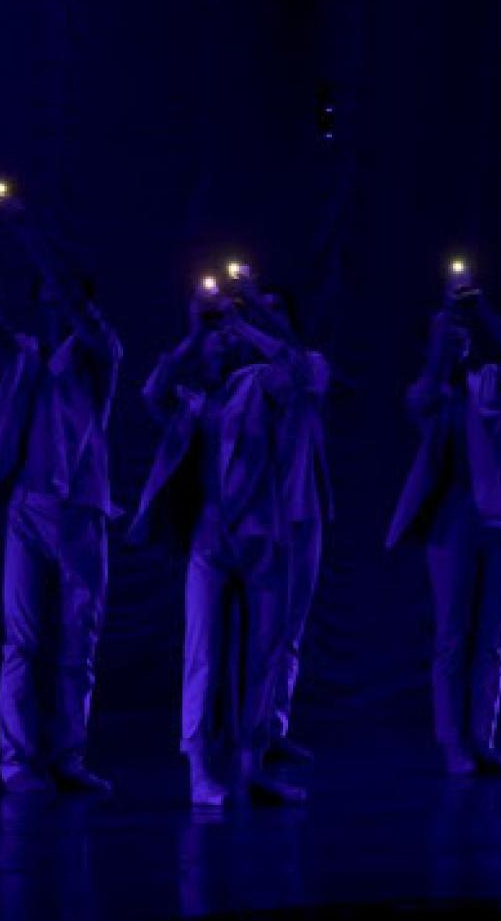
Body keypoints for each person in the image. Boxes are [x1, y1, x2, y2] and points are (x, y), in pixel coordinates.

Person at [0, 196, 122, 795]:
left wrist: (29, 234)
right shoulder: (25, 358)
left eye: (60, 292)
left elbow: (76, 306)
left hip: (81, 511)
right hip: (28, 509)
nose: (49, 298)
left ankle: (69, 759)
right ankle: (18, 763)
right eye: (44, 292)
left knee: (78, 643)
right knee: (21, 643)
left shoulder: (100, 352)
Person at [130, 270, 309, 807]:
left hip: (262, 538)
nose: (221, 341)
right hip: (211, 540)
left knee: (261, 657)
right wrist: (194, 330)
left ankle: (254, 767)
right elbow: (151, 392)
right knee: (204, 654)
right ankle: (201, 772)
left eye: (224, 336)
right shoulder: (191, 398)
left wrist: (247, 316)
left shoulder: (259, 383)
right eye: (217, 334)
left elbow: (298, 369)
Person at [387, 271, 501, 777]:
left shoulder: (487, 383)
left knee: (492, 640)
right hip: (452, 523)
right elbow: (426, 395)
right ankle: (453, 745)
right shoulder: (427, 394)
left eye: (460, 334)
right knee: (454, 636)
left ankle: (483, 740)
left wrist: (481, 310)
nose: (455, 338)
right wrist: (444, 327)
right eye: (444, 332)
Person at [260, 285, 332, 766]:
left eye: (275, 310)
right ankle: (244, 728)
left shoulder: (310, 365)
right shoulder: (249, 378)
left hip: (300, 515)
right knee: (257, 629)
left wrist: (264, 318)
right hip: (257, 520)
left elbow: (304, 370)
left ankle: (271, 728)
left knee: (288, 629)